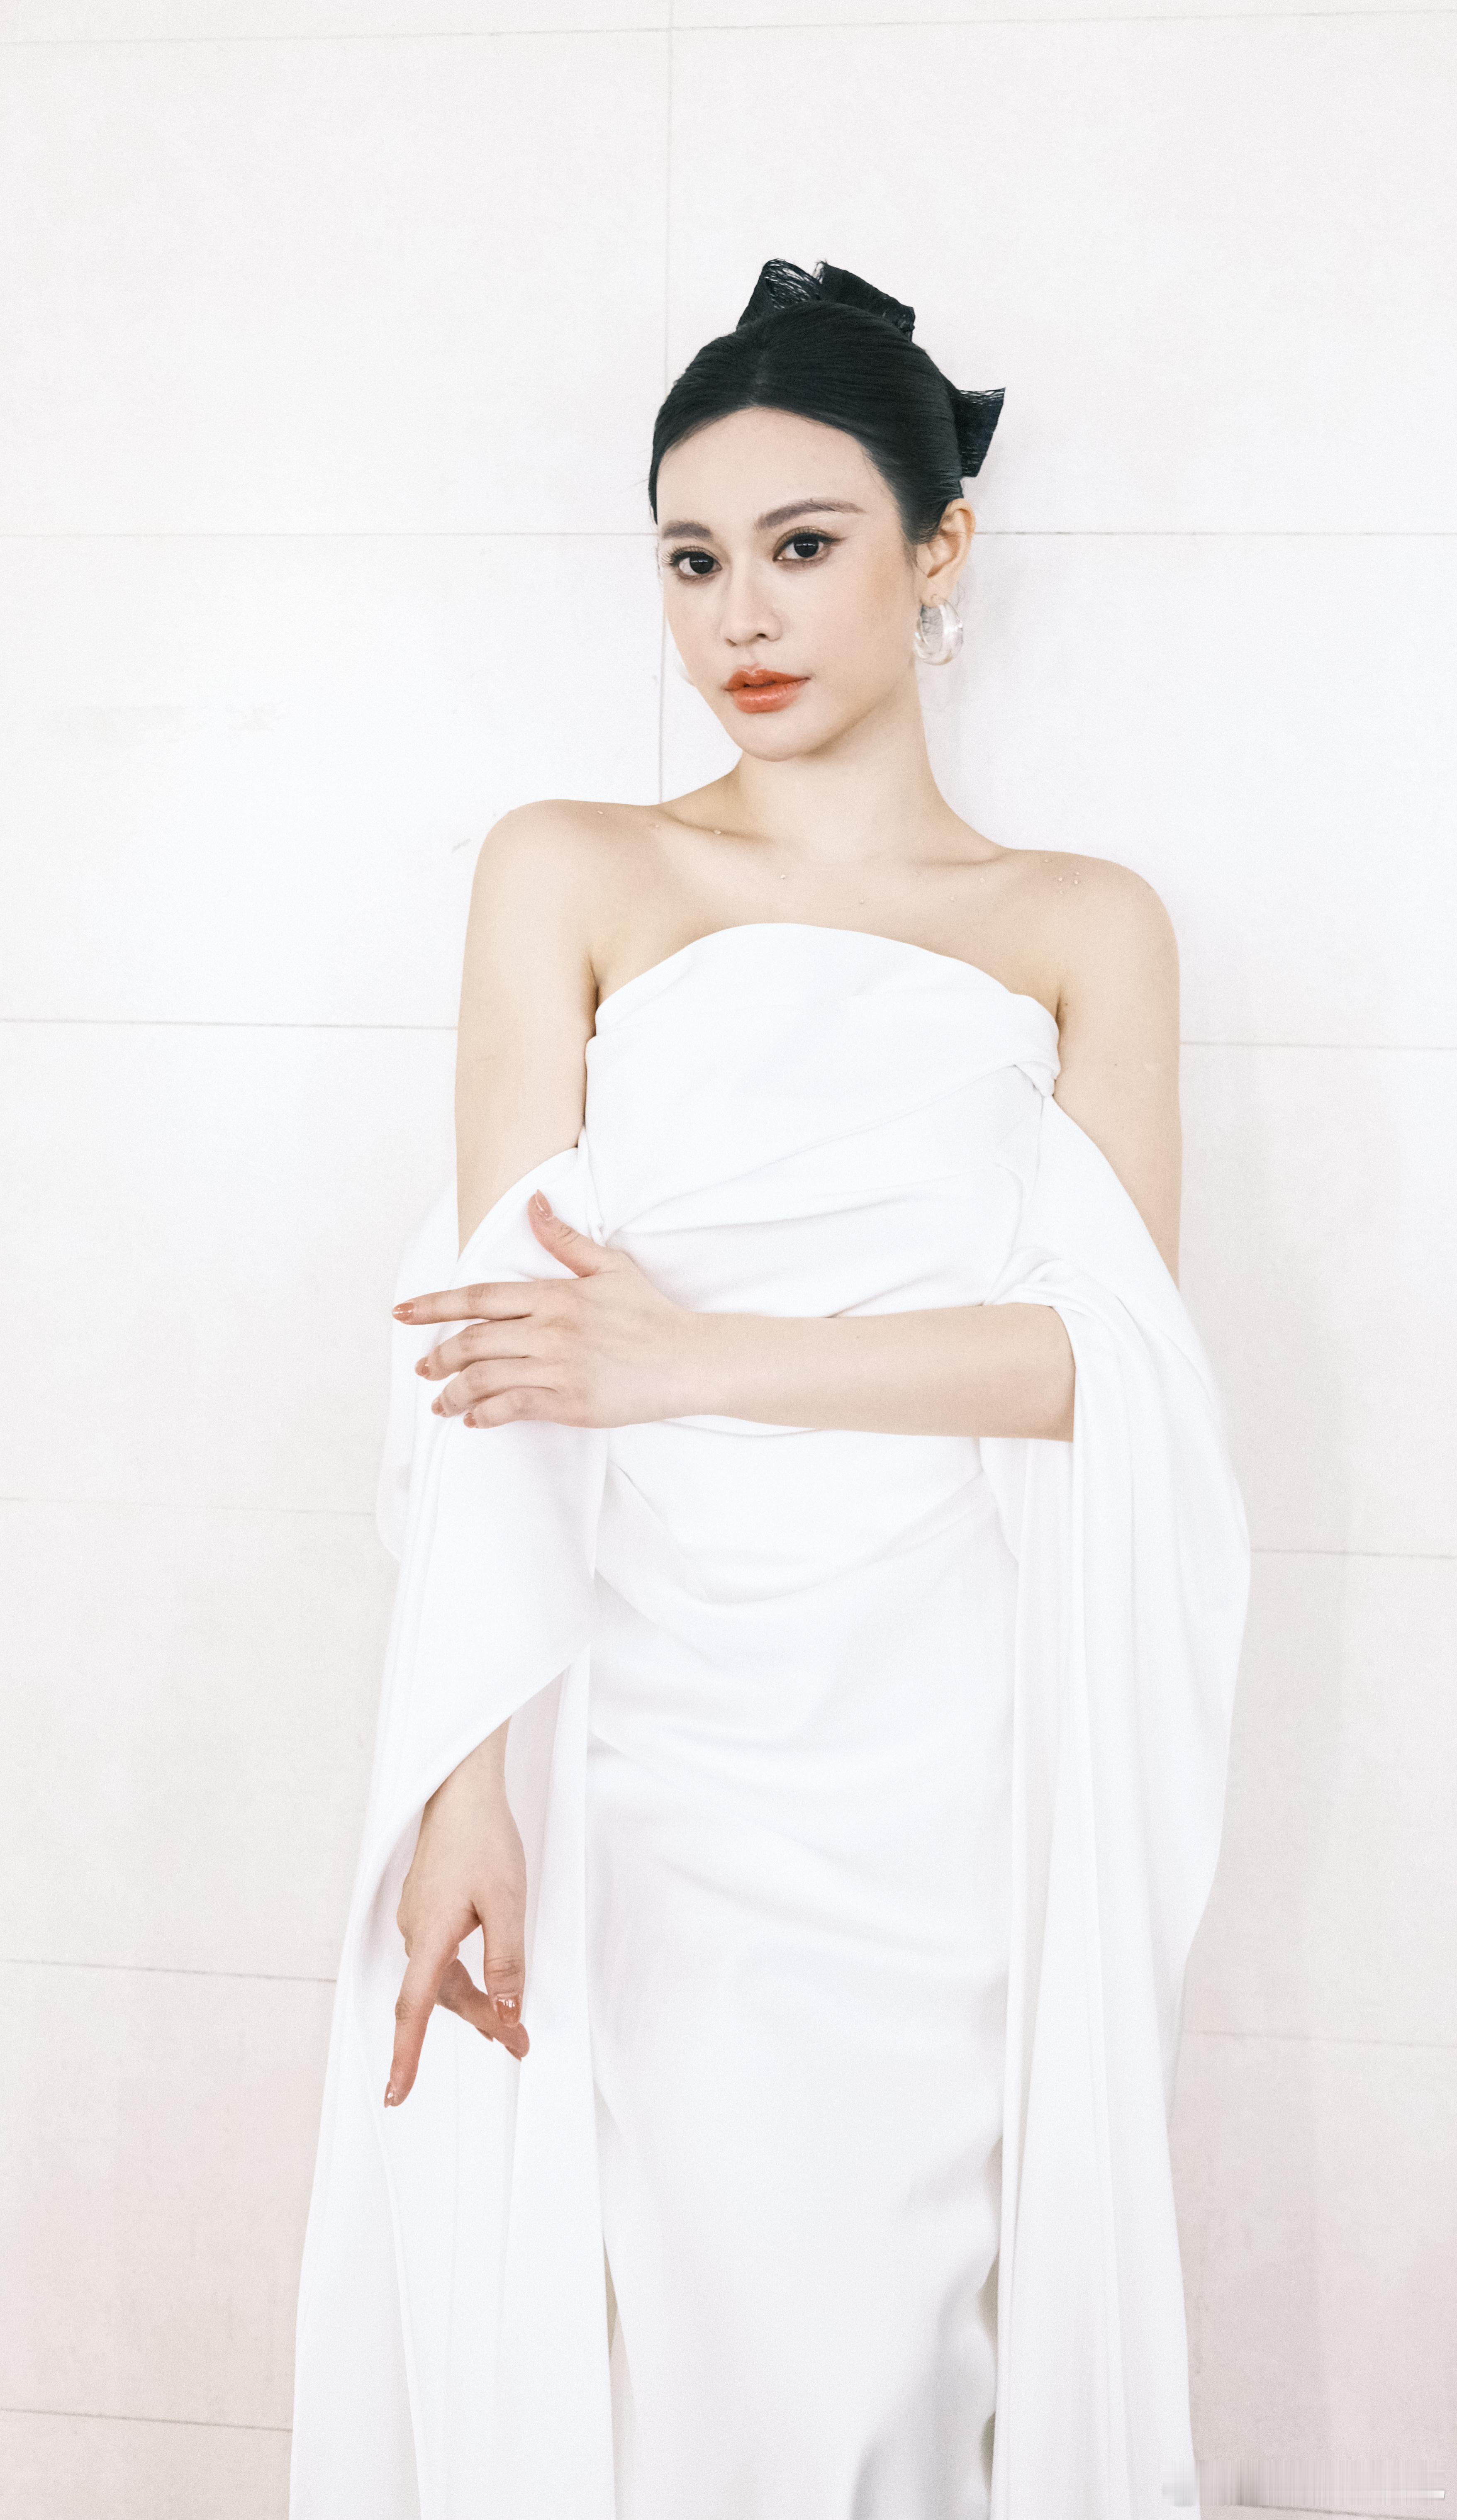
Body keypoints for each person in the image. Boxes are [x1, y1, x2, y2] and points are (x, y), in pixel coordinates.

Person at [290, 260, 1249, 2520]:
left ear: (939, 548)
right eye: (691, 559)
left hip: (929, 1760)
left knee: (884, 2359)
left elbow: (1107, 1368)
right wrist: (464, 1791)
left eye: (804, 545)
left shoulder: (1079, 925)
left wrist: (694, 1357)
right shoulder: (574, 867)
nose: (741, 615)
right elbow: (494, 1355)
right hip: (642, 1738)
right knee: (640, 2350)